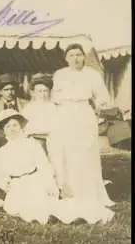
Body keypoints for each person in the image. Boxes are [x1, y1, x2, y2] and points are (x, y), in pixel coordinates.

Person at [0, 109, 114, 224]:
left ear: (20, 126)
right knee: (20, 205)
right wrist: (6, 186)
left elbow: (44, 166)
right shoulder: (1, 152)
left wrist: (49, 185)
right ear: (3, 131)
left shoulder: (31, 144)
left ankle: (70, 215)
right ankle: (42, 216)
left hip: (34, 181)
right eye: (8, 127)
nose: (12, 129)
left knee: (44, 202)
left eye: (15, 125)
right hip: (16, 186)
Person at [48, 44, 116, 208]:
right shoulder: (59, 74)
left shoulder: (92, 74)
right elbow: (54, 96)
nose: (75, 58)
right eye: (71, 55)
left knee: (85, 152)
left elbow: (103, 97)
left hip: (83, 113)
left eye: (79, 54)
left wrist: (98, 104)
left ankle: (88, 192)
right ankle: (69, 190)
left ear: (84, 57)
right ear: (66, 58)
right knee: (67, 152)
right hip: (64, 114)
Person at [21, 73, 57, 153]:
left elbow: (55, 128)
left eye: (45, 91)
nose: (43, 94)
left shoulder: (53, 108)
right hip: (31, 143)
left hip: (51, 143)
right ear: (33, 93)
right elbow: (24, 128)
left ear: (49, 92)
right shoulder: (28, 109)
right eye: (39, 91)